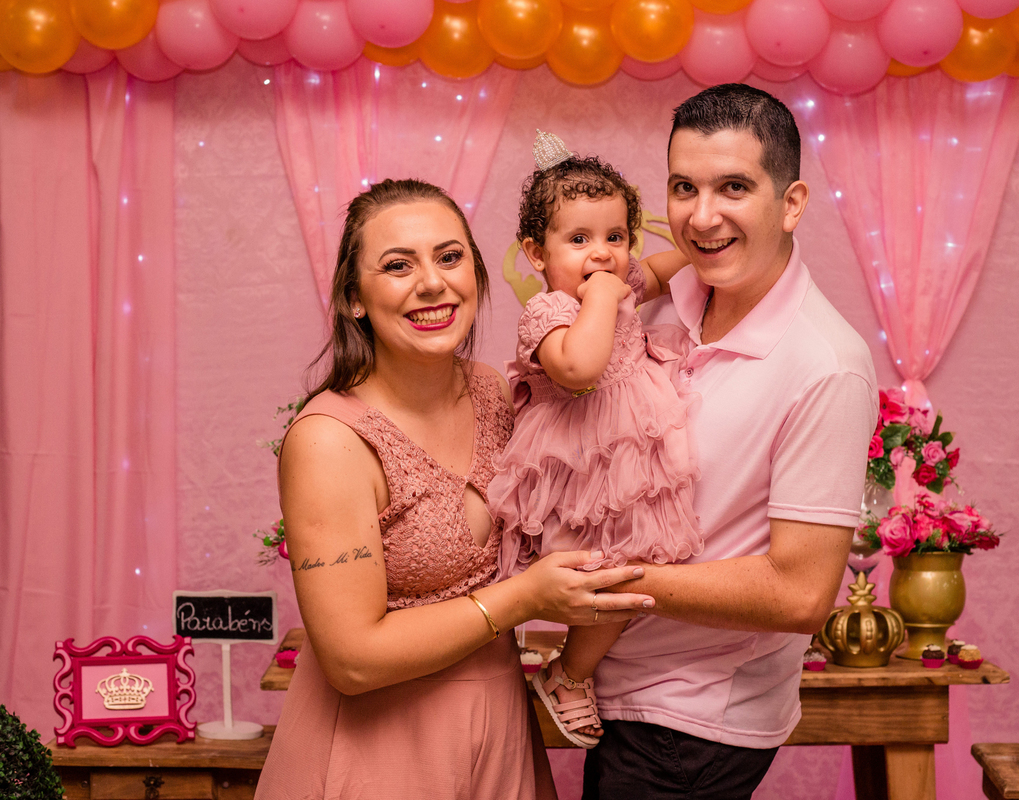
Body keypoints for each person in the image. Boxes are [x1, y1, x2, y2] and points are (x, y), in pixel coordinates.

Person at [253, 179, 655, 800]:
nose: (432, 283)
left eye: (449, 257)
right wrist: (522, 598)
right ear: (354, 298)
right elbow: (352, 659)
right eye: (397, 266)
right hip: (374, 755)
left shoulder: (494, 391)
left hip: (498, 735)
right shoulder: (329, 440)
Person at [581, 85, 879, 799]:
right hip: (615, 691)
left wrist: (602, 583)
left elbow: (801, 593)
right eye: (684, 187)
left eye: (734, 188)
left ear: (792, 202)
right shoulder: (660, 302)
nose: (701, 216)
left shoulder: (826, 365)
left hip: (692, 723)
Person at [488, 133, 698, 749]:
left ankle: (570, 672)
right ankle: (568, 675)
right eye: (578, 240)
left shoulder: (620, 277)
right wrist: (604, 295)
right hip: (579, 463)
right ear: (536, 252)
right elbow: (579, 368)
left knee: (642, 568)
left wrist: (698, 254)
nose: (602, 253)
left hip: (634, 461)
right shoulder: (547, 311)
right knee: (602, 575)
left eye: (615, 236)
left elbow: (662, 270)